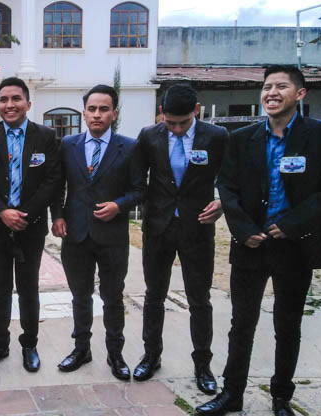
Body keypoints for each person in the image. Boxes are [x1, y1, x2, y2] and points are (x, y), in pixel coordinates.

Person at [196, 65, 321, 415]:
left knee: (288, 324)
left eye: (282, 86)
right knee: (241, 324)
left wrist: (293, 224)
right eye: (267, 87)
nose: (272, 93)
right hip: (250, 245)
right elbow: (227, 186)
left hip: (295, 246)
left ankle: (281, 396)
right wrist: (243, 229)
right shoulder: (242, 138)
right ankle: (232, 394)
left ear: (300, 94)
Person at [134, 84, 229, 393]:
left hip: (197, 228)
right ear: (162, 113)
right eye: (170, 122)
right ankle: (151, 355)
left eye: (183, 122)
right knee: (154, 296)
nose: (176, 129)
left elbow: (231, 178)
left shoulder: (216, 136)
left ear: (196, 111)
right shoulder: (149, 136)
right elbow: (138, 179)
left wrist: (223, 202)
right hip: (158, 228)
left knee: (199, 299)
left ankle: (202, 364)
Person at [50, 85, 145, 380]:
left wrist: (119, 205)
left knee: (113, 297)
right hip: (76, 234)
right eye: (92, 109)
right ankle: (81, 349)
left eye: (104, 109)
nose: (97, 114)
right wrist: (57, 215)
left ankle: (115, 354)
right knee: (80, 296)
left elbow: (140, 190)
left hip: (112, 237)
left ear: (114, 113)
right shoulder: (68, 145)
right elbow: (57, 184)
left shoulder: (130, 147)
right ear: (84, 113)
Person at [0, 77, 61, 372]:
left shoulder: (45, 136)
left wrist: (23, 214)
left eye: (16, 99)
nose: (9, 105)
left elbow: (52, 180)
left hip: (30, 227)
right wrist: (2, 212)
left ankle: (30, 344)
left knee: (28, 289)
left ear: (28, 103)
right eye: (3, 99)